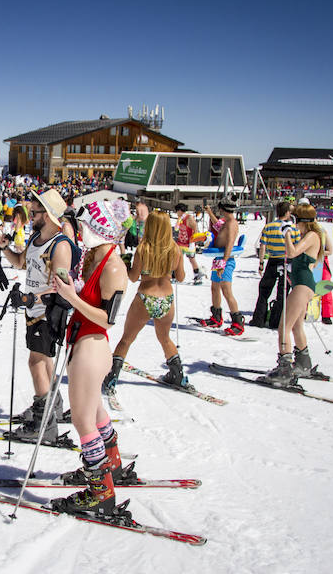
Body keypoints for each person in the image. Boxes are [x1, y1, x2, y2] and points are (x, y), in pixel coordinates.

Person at [47, 199, 132, 518]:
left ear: (102, 227)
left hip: (92, 346)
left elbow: (109, 318)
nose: (81, 231)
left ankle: (101, 493)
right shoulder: (95, 256)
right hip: (82, 341)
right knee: (94, 413)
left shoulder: (113, 265)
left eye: (86, 226)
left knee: (82, 421)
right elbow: (83, 293)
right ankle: (113, 465)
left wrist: (70, 297)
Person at [0, 189, 75, 443]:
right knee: (44, 362)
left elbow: (61, 288)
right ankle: (53, 406)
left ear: (49, 215)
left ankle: (44, 424)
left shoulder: (60, 246)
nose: (30, 216)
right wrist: (5, 248)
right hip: (33, 311)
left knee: (36, 363)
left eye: (35, 212)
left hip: (48, 313)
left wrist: (31, 299)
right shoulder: (36, 238)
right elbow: (21, 263)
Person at [103, 210, 186, 392]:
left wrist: (127, 264)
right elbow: (180, 277)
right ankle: (178, 375)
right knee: (165, 338)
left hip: (145, 297)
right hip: (166, 299)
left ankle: (112, 377)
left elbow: (133, 277)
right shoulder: (175, 249)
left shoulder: (144, 249)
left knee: (126, 339)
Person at [259, 204, 325, 387]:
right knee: (296, 326)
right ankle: (303, 363)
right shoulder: (308, 236)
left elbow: (292, 252)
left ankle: (285, 370)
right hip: (301, 283)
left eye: (293, 219)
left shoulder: (312, 235)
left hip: (303, 285)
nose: (291, 222)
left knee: (283, 326)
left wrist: (287, 234)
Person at [250, 201, 299, 328]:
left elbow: (263, 246)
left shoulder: (269, 226)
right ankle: (276, 321)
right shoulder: (293, 228)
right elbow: (297, 247)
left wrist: (261, 262)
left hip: (273, 260)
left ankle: (259, 319)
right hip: (287, 261)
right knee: (283, 292)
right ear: (287, 212)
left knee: (264, 290)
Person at [198, 197, 243, 335]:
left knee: (226, 290)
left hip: (225, 260)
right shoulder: (226, 222)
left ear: (223, 209)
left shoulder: (231, 224)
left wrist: (223, 261)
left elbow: (229, 243)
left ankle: (238, 322)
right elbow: (218, 225)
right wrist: (210, 212)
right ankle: (216, 316)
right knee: (215, 288)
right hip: (219, 259)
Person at [174, 203, 205, 285]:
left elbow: (195, 230)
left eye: (177, 211)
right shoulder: (180, 218)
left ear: (180, 211)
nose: (176, 213)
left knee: (192, 260)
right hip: (181, 242)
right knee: (177, 259)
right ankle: (175, 275)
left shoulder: (189, 218)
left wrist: (195, 241)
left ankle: (197, 276)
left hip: (189, 243)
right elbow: (176, 228)